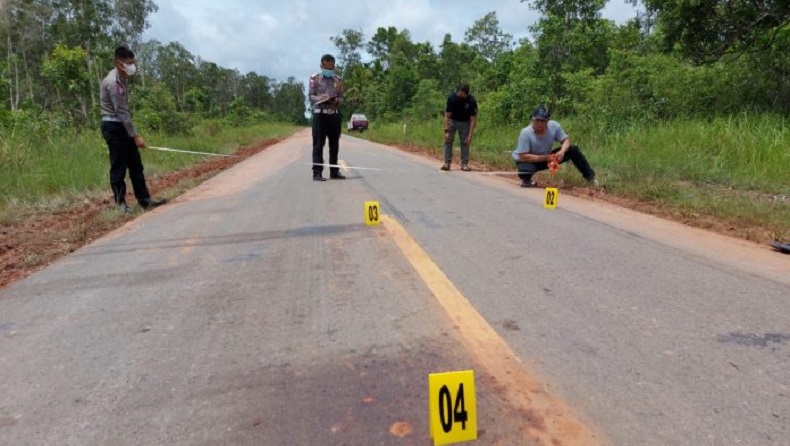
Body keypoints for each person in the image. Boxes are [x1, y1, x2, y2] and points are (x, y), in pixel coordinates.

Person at [99, 46, 165, 213]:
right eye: (129, 63)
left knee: (136, 165)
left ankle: (144, 200)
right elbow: (121, 112)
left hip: (121, 125)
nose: (131, 66)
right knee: (118, 167)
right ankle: (120, 204)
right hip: (114, 127)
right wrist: (135, 136)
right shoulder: (113, 83)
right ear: (118, 62)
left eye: (133, 63)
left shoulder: (121, 80)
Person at [511, 107, 599, 188]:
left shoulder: (554, 126)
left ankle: (591, 178)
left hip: (547, 157)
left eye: (542, 121)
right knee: (525, 170)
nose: (539, 123)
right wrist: (547, 157)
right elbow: (523, 156)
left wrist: (562, 152)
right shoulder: (526, 133)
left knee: (573, 150)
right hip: (528, 160)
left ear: (547, 121)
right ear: (532, 119)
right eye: (537, 120)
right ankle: (526, 180)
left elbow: (566, 141)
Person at [309, 54, 345, 181]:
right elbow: (311, 96)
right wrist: (322, 98)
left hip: (334, 116)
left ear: (334, 66)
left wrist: (336, 100)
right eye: (326, 67)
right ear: (321, 65)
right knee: (318, 145)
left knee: (334, 145)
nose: (328, 70)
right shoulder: (315, 79)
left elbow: (341, 97)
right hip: (320, 115)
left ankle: (334, 171)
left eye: (331, 67)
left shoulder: (338, 80)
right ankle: (317, 173)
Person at [441, 84, 477, 171]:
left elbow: (473, 119)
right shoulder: (452, 98)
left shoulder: (471, 101)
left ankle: (464, 164)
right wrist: (446, 131)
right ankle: (447, 163)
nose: (459, 94)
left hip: (465, 122)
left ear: (466, 94)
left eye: (461, 93)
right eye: (459, 92)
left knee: (465, 142)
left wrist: (470, 135)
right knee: (448, 140)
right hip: (452, 121)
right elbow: (447, 115)